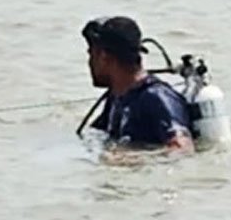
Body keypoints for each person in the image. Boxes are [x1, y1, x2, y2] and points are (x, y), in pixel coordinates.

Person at [82, 16, 195, 153]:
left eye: (91, 54)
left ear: (104, 57)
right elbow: (95, 133)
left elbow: (183, 149)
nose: (89, 62)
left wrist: (134, 160)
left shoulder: (157, 98)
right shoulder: (116, 98)